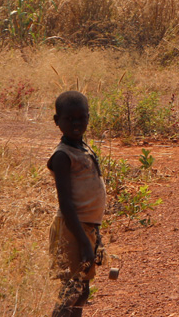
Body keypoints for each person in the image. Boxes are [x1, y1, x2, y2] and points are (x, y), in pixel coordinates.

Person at [47, 91, 106, 317]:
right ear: (57, 121)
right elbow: (66, 203)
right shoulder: (62, 156)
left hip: (85, 228)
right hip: (72, 230)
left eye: (81, 118)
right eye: (69, 119)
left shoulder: (83, 148)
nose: (76, 123)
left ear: (88, 117)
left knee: (82, 291)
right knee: (71, 290)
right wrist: (82, 242)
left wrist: (94, 236)